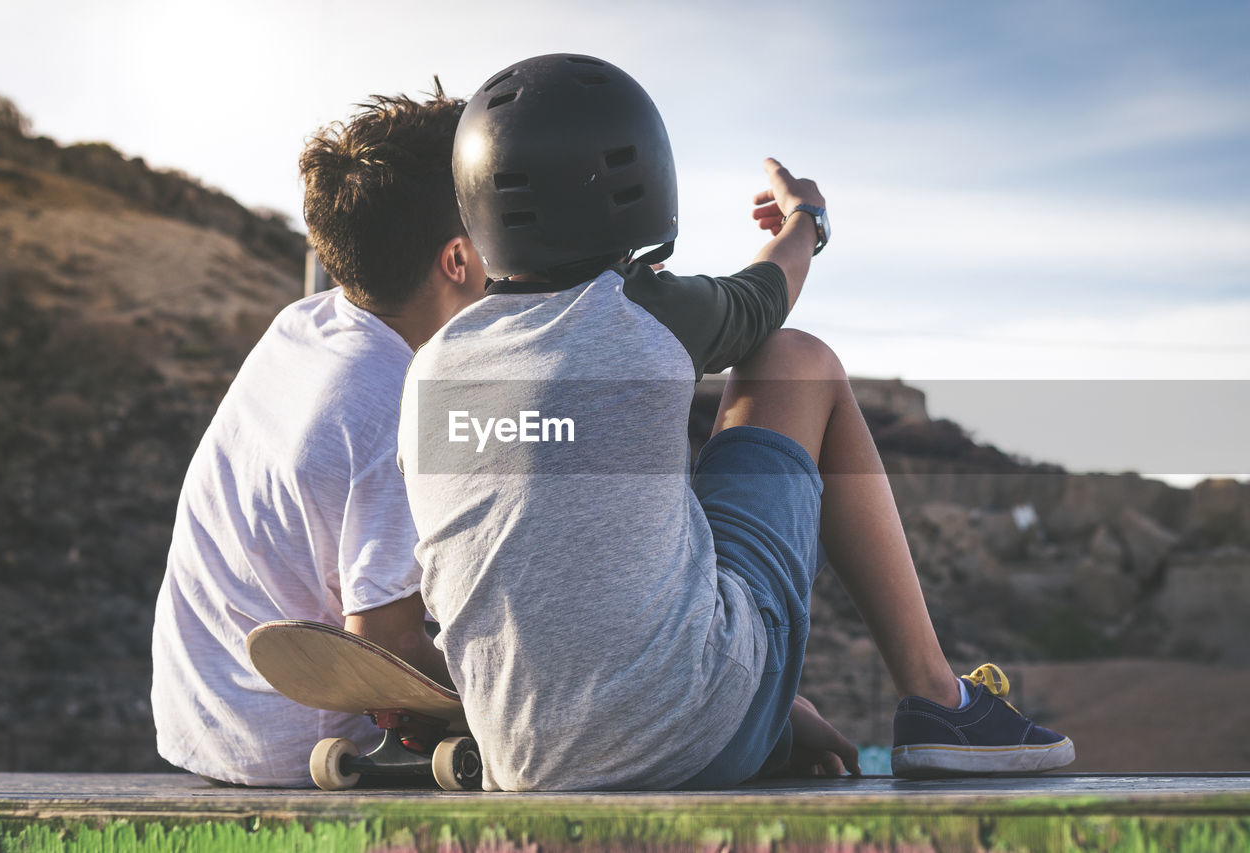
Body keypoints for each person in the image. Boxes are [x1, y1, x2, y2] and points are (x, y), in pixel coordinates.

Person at [397, 54, 1074, 790]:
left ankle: (763, 715)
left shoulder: (429, 373)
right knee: (796, 361)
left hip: (524, 760)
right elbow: (767, 295)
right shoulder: (637, 310)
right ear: (640, 183)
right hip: (697, 733)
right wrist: (805, 218)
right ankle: (941, 701)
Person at [150, 87, 483, 787]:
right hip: (304, 747)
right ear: (459, 259)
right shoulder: (401, 401)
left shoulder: (306, 323)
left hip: (199, 715)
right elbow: (382, 645)